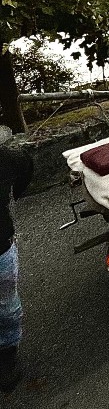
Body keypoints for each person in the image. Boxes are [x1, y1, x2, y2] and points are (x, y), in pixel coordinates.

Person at [0, 127, 34, 392]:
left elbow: (24, 165)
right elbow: (25, 168)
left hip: (0, 246)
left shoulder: (5, 158)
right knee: (6, 304)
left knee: (6, 304)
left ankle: (7, 355)